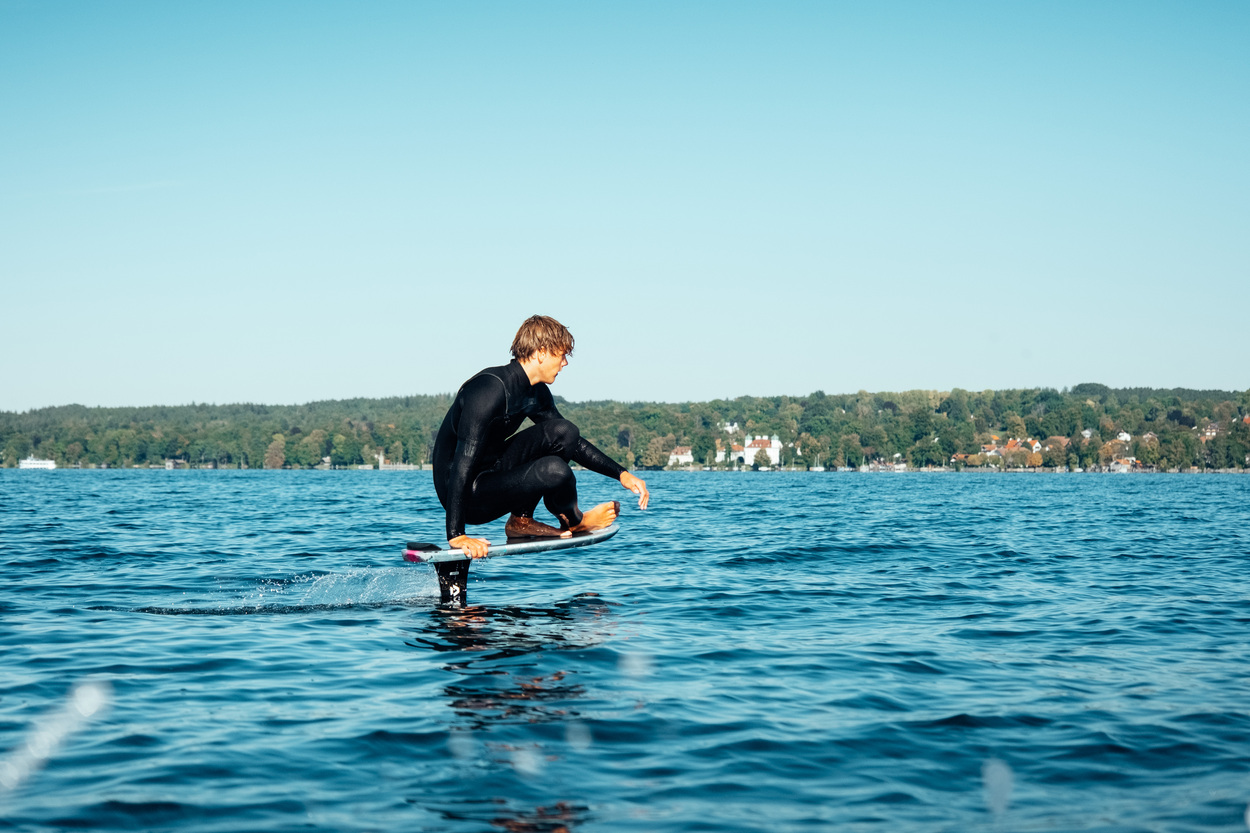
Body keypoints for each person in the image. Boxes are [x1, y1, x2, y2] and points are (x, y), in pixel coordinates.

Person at [432, 315, 649, 559]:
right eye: (562, 355)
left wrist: (622, 474)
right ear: (542, 352)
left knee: (565, 431)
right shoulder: (488, 391)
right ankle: (574, 521)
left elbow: (570, 442)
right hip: (463, 494)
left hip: (492, 471)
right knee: (555, 470)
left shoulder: (536, 394)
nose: (565, 363)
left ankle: (523, 521)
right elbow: (462, 462)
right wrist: (456, 535)